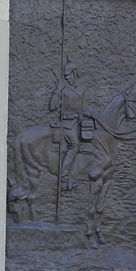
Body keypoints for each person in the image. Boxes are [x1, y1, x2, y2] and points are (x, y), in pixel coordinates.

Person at [50, 61, 85, 190]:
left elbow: (83, 107)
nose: (67, 78)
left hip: (80, 123)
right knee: (75, 145)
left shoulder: (82, 89)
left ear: (75, 73)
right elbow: (52, 106)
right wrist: (57, 91)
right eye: (65, 76)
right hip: (67, 125)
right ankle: (64, 178)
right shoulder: (63, 89)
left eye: (68, 75)